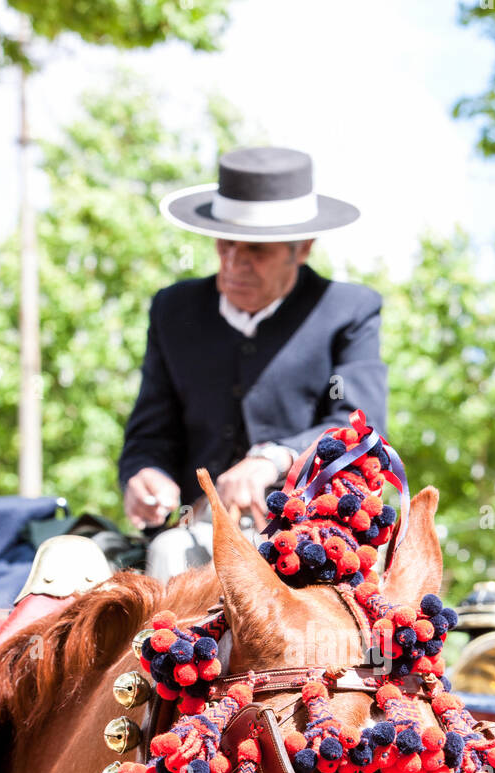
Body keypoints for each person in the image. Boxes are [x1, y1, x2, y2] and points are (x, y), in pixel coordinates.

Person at [118, 146, 388, 575]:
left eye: (255, 251)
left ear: (302, 249)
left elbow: (359, 426)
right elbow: (150, 432)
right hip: (189, 537)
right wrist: (145, 473)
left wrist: (273, 459)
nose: (233, 263)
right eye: (225, 244)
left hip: (313, 538)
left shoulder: (349, 310)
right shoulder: (173, 311)